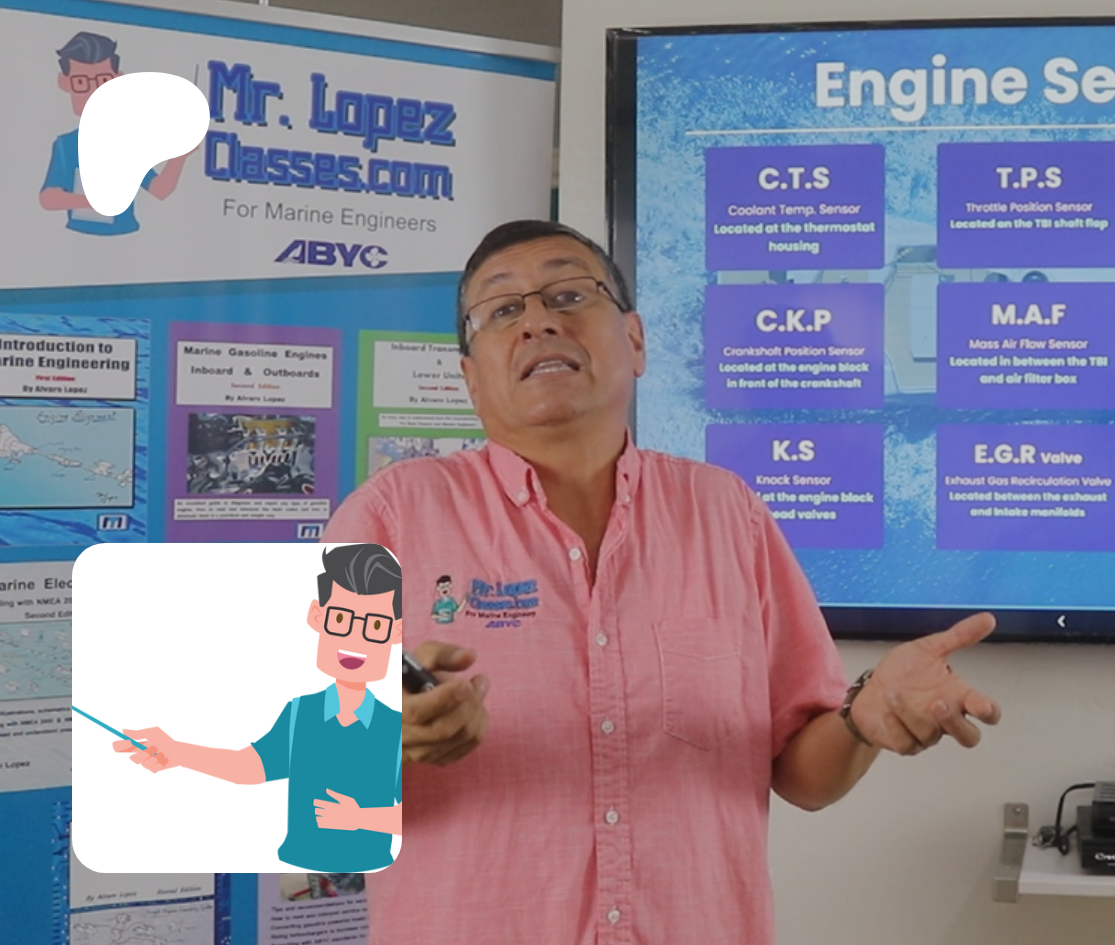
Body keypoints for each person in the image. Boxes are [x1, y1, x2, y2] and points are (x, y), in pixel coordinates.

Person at [319, 219, 1002, 943]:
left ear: (636, 340)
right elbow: (309, 796)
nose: (538, 320)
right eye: (503, 309)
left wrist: (864, 716)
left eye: (568, 294)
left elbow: (805, 776)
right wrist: (382, 740)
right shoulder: (384, 517)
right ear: (470, 377)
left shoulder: (729, 514)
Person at [114, 543, 405, 872]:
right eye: (340, 619)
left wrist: (360, 818)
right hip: (297, 869)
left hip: (369, 875)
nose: (355, 639)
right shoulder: (300, 714)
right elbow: (249, 767)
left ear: (395, 631)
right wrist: (178, 752)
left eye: (375, 626)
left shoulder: (396, 728)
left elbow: (424, 811)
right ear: (317, 616)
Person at [39, 31, 188, 235]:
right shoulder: (67, 144)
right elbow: (48, 198)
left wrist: (180, 155)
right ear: (64, 83)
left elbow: (159, 189)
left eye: (103, 82)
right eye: (81, 83)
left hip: (128, 240)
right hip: (75, 238)